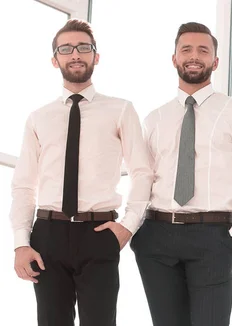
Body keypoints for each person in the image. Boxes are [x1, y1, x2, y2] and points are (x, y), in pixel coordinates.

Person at [10, 19, 153, 326]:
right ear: (55, 59)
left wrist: (127, 226)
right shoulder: (38, 118)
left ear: (95, 56)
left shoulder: (120, 110)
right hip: (48, 234)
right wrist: (21, 243)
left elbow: (143, 172)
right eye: (66, 49)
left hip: (99, 233)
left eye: (83, 47)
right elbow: (23, 185)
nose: (75, 54)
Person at [130, 22, 232, 326]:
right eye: (187, 49)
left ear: (215, 61)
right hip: (157, 236)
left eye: (203, 50)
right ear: (174, 58)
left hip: (213, 237)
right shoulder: (154, 119)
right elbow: (141, 179)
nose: (195, 56)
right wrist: (134, 229)